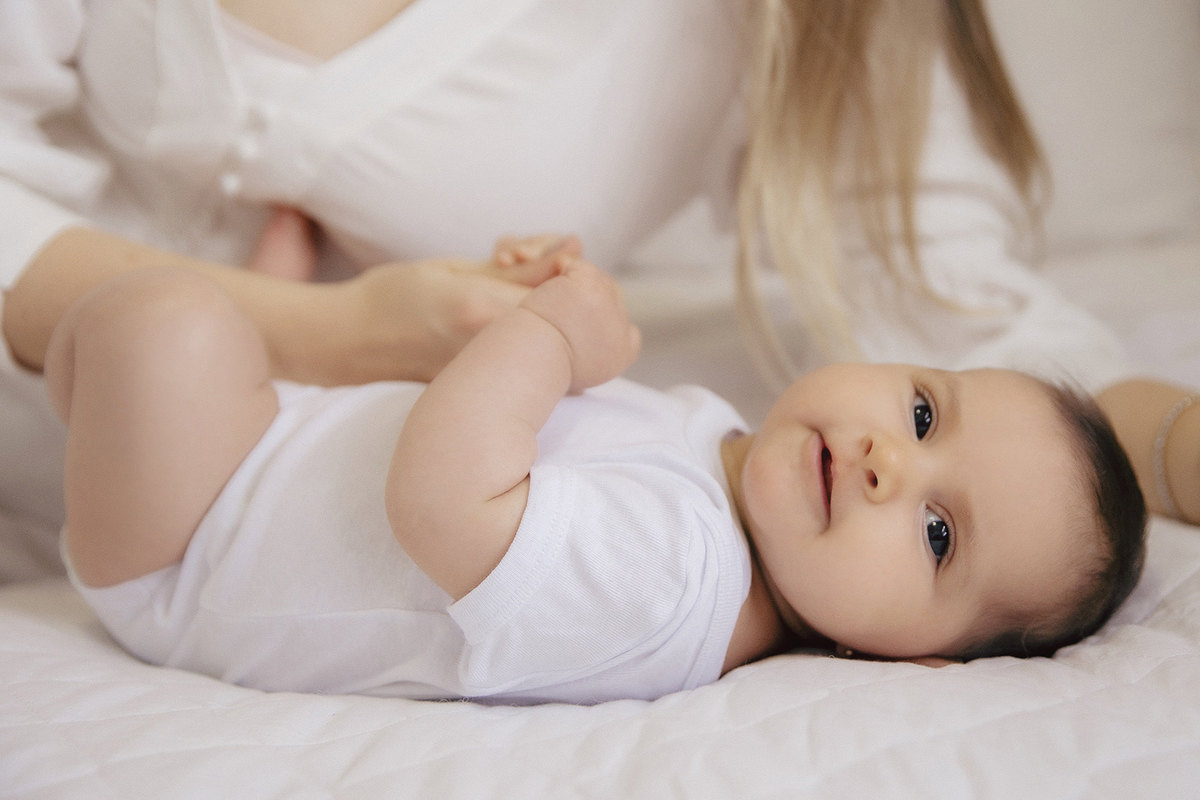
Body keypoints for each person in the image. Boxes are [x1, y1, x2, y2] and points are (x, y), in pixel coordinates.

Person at [0, 2, 1195, 580]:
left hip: (233, 534)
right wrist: (334, 330)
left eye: (936, 531)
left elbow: (973, 338)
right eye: (917, 435)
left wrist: (1180, 443)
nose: (894, 460)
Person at [42, 241, 1146, 704]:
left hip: (191, 546)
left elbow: (440, 502)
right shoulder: (723, 454)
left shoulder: (679, 581)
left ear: (918, 660)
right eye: (921, 410)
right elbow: (534, 427)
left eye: (938, 532)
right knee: (202, 325)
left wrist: (552, 340)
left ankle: (113, 383)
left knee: (161, 319)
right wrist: (525, 302)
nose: (882, 462)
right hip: (278, 439)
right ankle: (233, 333)